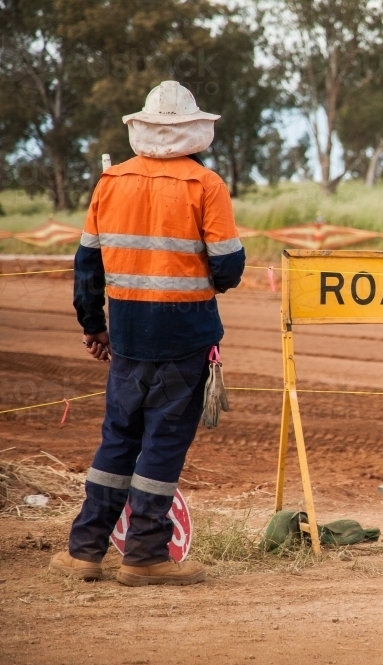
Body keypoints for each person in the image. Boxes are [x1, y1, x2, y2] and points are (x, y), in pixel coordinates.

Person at [49, 81, 245, 586]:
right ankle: (144, 556)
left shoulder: (110, 181)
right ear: (192, 130)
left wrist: (94, 325)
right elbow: (228, 267)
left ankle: (84, 551)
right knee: (161, 445)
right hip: (184, 336)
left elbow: (87, 264)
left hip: (128, 336)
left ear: (142, 127)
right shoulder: (206, 185)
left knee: (117, 439)